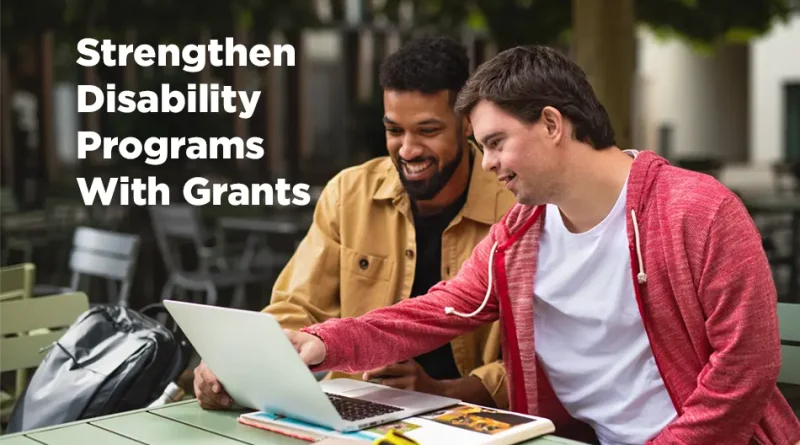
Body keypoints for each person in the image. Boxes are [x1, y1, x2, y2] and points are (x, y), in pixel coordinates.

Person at [284, 45, 800, 445]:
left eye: (495, 142)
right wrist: (325, 342)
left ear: (552, 123)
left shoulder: (696, 210)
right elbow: (437, 309)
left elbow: (745, 370)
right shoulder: (521, 233)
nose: (485, 163)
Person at [192, 36, 515, 411]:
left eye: (428, 131)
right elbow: (296, 306)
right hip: (346, 411)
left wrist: (444, 392)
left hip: (469, 420)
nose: (408, 150)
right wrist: (239, 364)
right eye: (394, 131)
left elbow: (536, 357)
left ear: (467, 124)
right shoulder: (350, 193)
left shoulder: (515, 206)